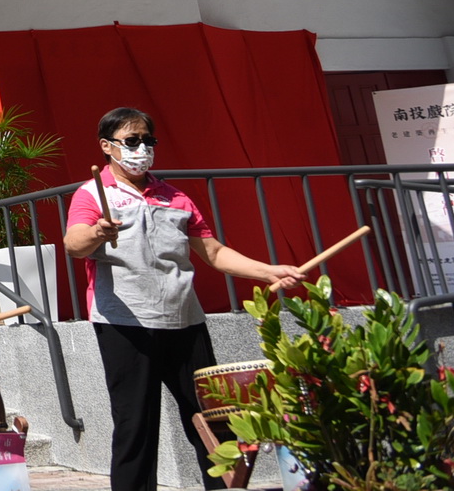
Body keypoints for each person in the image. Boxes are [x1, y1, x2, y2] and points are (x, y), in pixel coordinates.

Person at [64, 107, 304, 491]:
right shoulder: (92, 194)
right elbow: (73, 244)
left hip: (185, 321)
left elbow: (212, 252)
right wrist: (97, 231)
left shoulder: (175, 196)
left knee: (212, 420)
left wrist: (269, 271)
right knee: (135, 424)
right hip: (126, 324)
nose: (142, 148)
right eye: (132, 141)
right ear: (107, 147)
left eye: (148, 140)